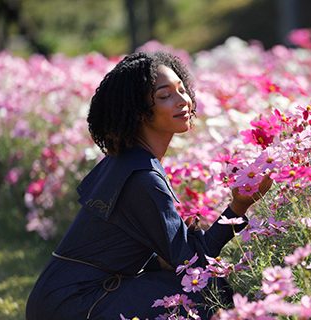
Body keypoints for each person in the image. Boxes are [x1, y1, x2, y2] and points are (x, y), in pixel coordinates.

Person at [26, 51, 272, 320]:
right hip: (77, 304)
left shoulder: (125, 160)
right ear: (138, 111)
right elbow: (194, 268)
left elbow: (117, 249)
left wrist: (158, 260)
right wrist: (238, 206)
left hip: (56, 298)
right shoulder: (143, 177)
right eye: (165, 96)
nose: (183, 101)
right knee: (205, 296)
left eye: (182, 90)